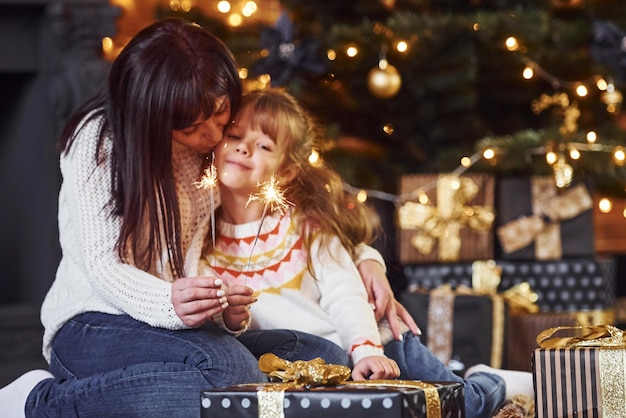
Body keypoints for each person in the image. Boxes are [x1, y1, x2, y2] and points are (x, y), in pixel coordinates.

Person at [0, 18, 414, 417]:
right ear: (152, 114)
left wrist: (364, 259)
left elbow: (290, 205)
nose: (215, 136)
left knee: (323, 358)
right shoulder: (99, 141)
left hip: (175, 327)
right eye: (194, 128)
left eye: (220, 114)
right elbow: (104, 268)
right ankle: (38, 403)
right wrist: (169, 301)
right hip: (94, 324)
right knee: (229, 372)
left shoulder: (214, 135)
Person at [202, 88, 535, 418]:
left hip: (378, 344)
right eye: (235, 135)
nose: (243, 149)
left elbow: (344, 293)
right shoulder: (201, 240)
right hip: (317, 373)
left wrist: (366, 351)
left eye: (263, 145)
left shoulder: (306, 226)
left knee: (465, 406)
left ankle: (494, 380)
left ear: (286, 171)